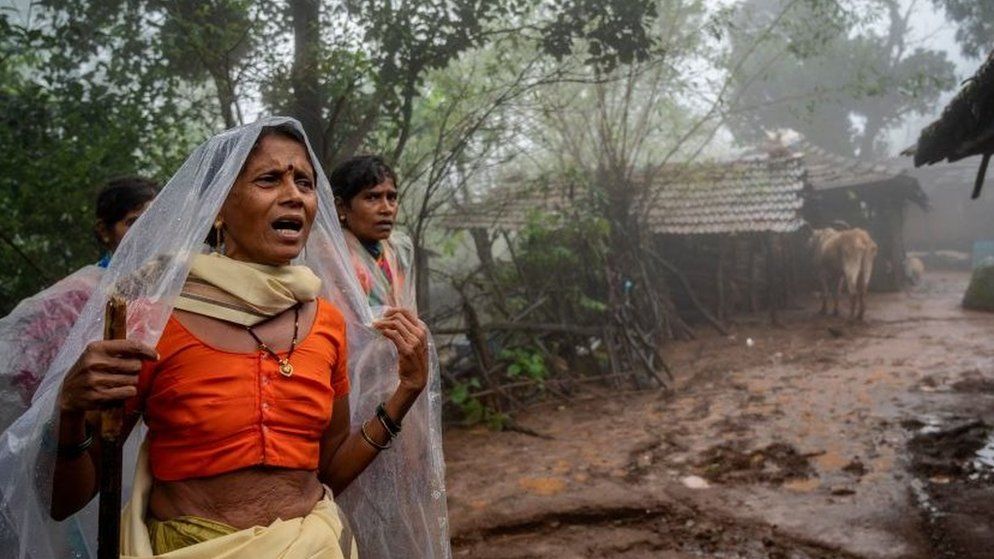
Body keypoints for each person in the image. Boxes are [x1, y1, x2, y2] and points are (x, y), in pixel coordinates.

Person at [0, 118, 449, 559]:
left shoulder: (326, 323)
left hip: (314, 547)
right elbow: (66, 501)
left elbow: (329, 470)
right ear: (217, 206)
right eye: (269, 179)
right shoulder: (154, 321)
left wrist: (405, 391)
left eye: (305, 184)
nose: (293, 195)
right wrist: (71, 409)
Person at [0, 177, 158, 432]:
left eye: (155, 222)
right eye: (133, 222)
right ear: (104, 231)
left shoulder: (179, 288)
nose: (147, 234)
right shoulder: (76, 294)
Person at [329, 156, 416, 310]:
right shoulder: (329, 256)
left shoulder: (399, 250)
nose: (387, 208)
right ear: (341, 207)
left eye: (392, 197)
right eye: (372, 197)